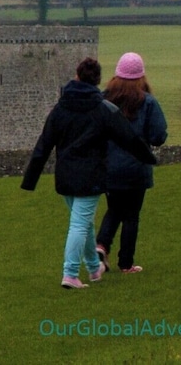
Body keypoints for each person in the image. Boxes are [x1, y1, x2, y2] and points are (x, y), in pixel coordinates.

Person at [21, 57, 157, 289]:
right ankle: (70, 273)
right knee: (79, 224)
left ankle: (94, 268)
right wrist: (149, 158)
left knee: (84, 223)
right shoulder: (104, 109)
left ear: (77, 76)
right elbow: (128, 138)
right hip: (91, 177)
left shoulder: (60, 108)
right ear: (97, 80)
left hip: (64, 176)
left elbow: (43, 145)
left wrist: (30, 179)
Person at [96, 52, 168, 274]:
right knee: (131, 216)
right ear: (141, 76)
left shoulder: (103, 100)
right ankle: (126, 263)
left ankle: (101, 246)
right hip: (136, 167)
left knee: (114, 209)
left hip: (109, 167)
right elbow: (158, 135)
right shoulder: (147, 102)